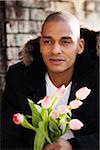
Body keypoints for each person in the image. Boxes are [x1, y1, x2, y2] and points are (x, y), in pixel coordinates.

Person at [1, 11, 99, 150]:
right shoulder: (18, 78)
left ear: (80, 46)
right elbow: (7, 139)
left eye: (65, 41)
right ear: (40, 45)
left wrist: (74, 146)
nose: (55, 50)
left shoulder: (96, 76)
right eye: (48, 41)